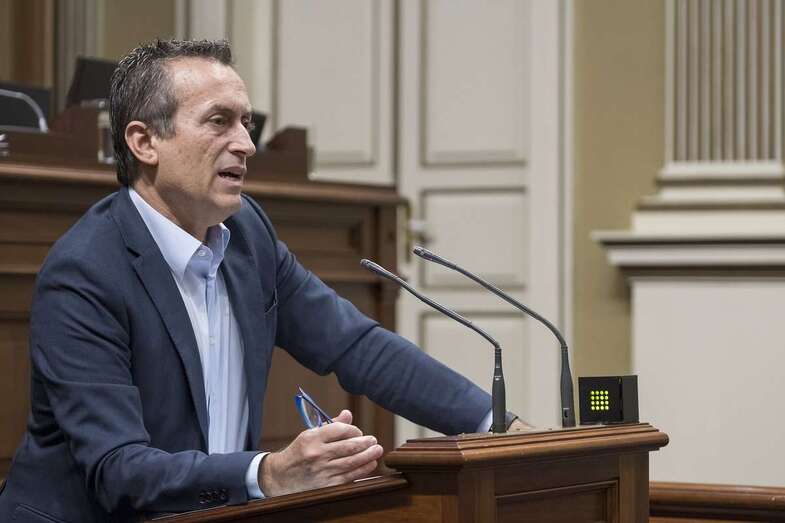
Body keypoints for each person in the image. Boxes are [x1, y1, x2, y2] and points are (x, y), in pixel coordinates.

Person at [0, 39, 526, 523]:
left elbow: (356, 345)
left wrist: (496, 426)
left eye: (247, 123)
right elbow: (118, 469)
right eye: (219, 121)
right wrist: (268, 474)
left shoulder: (246, 232)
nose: (246, 144)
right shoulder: (85, 272)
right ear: (144, 141)